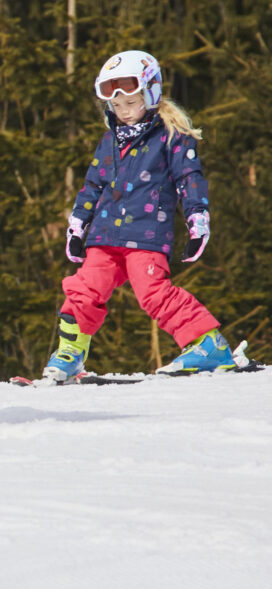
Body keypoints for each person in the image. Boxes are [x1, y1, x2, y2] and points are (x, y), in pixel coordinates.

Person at [43, 50, 235, 381]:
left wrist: (197, 222)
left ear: (151, 93)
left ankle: (208, 345)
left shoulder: (171, 137)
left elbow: (189, 179)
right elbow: (93, 184)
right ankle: (71, 352)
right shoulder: (110, 139)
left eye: (131, 103)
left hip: (147, 235)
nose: (124, 112)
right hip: (104, 236)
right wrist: (77, 227)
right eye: (117, 106)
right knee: (84, 288)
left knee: (153, 293)